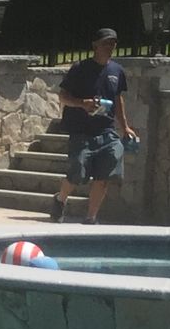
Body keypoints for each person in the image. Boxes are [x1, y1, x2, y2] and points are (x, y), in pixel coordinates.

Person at [51, 27, 138, 223]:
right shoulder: (80, 69)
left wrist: (125, 127)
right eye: (106, 43)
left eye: (113, 43)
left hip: (106, 131)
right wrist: (83, 104)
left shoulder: (117, 71)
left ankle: (91, 218)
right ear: (95, 46)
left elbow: (118, 99)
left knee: (105, 173)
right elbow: (63, 96)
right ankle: (60, 199)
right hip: (81, 131)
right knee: (77, 172)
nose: (110, 47)